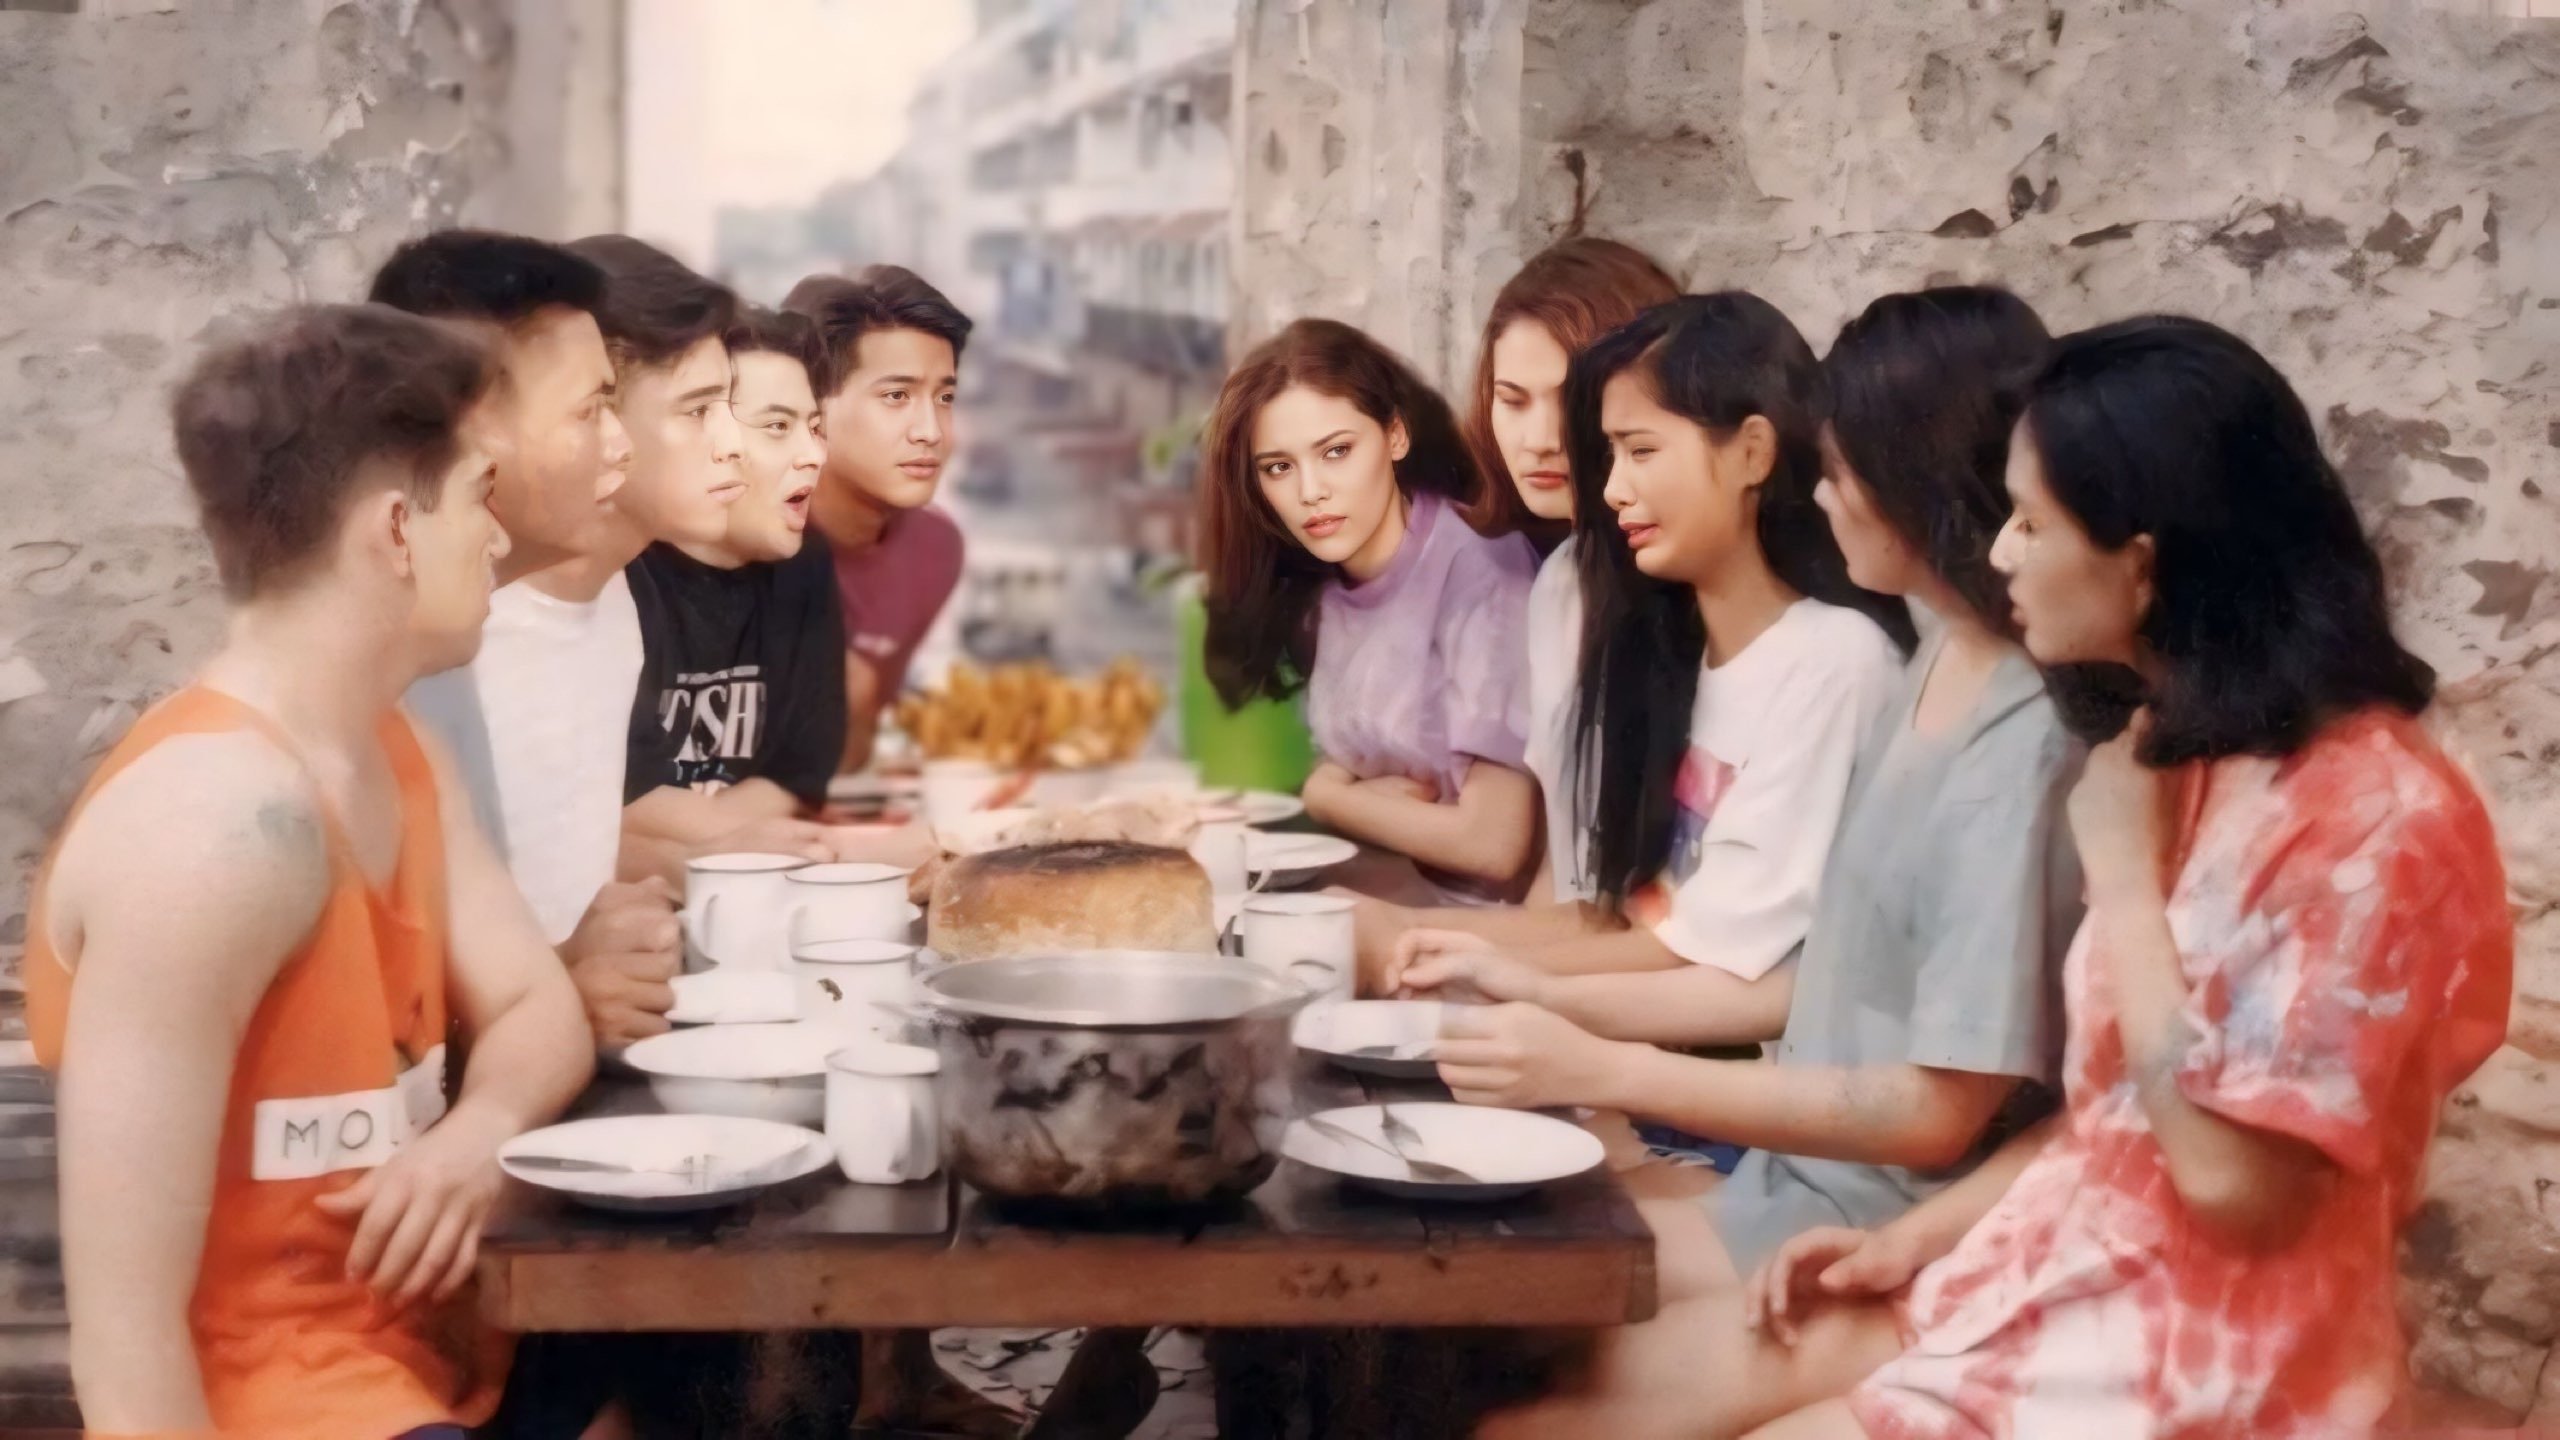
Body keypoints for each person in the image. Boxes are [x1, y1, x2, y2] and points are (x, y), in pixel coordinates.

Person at [1500, 316, 2516, 1439]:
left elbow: (2235, 1187)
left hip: (2202, 1359)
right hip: (2041, 1276)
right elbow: (2110, 1117)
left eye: (2031, 521)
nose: (1998, 551)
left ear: (2142, 562)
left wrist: (2125, 886)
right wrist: (1917, 1241)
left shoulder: (2377, 815)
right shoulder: (2191, 752)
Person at [1414, 288, 2079, 1433]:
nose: (1820, 494)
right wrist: (1537, 992)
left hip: (1888, 1224)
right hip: (1791, 1191)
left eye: (1843, 469)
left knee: (1512, 1408)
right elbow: (1814, 983)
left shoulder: (2011, 738)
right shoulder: (1932, 658)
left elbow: (1935, 1114)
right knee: (1446, 1308)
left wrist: (1604, 1062)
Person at [26, 305, 593, 1439]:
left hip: (435, 1353)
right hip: (275, 1404)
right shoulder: (212, 829)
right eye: (480, 496)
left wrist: (475, 1134)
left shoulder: (400, 749)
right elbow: (126, 1360)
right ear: (397, 530)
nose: (499, 538)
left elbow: (542, 1009)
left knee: (766, 1349)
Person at [1384, 294, 1910, 1015]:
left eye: (1641, 451)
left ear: (1752, 452)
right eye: (1610, 455)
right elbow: (1631, 918)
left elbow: (1703, 951)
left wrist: (1479, 963)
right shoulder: (1672, 656)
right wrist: (1441, 948)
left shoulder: (1835, 662)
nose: (1611, 490)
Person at [369, 231, 689, 1058]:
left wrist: (560, 981)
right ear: (467, 434)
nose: (620, 445)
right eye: (589, 411)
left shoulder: (476, 633)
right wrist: (559, 992)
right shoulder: (379, 677)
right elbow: (356, 1043)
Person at [1197, 317, 1542, 902]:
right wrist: (1353, 795)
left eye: (1336, 452)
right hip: (1372, 899)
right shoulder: (1324, 582)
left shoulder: (1483, 574)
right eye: (1279, 467)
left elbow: (1493, 845)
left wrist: (1328, 798)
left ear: (1396, 436)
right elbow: (1353, 766)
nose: (1310, 491)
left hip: (1479, 932)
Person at [622, 305, 848, 831]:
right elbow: (622, 806)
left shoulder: (805, 565)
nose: (814, 455)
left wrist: (717, 838)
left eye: (815, 427)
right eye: (777, 426)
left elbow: (800, 772)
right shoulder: (620, 571)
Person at [782, 266, 971, 774]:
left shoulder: (934, 549)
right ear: (810, 402)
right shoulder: (746, 545)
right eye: (896, 396)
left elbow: (855, 735)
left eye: (945, 398)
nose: (931, 431)